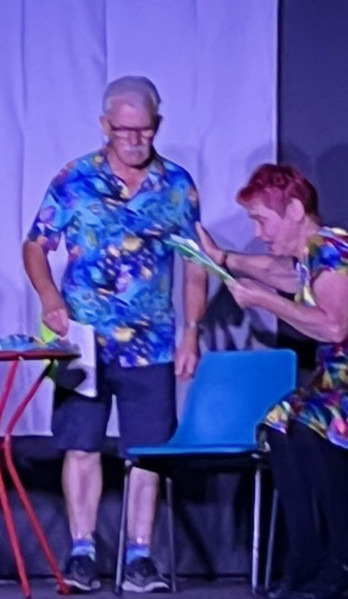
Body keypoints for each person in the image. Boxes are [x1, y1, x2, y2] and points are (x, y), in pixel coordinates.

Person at [22, 76, 207, 593]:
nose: (134, 140)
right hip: (81, 338)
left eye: (144, 130)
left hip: (152, 339)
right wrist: (49, 298)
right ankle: (81, 551)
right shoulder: (74, 178)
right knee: (81, 445)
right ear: (105, 125)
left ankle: (140, 556)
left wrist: (192, 332)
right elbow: (36, 245)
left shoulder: (177, 186)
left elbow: (196, 264)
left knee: (147, 451)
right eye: (124, 130)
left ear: (158, 125)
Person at [197, 164, 348, 599]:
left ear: (295, 210)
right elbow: (281, 272)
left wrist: (265, 301)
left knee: (312, 424)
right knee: (279, 424)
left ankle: (341, 558)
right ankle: (305, 556)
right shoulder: (310, 255)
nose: (258, 233)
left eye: (263, 220)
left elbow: (335, 327)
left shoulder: (332, 250)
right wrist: (222, 259)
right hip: (334, 382)